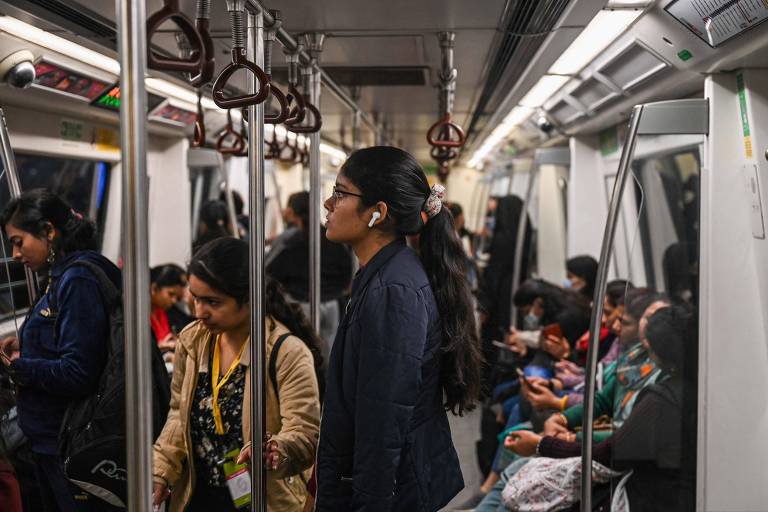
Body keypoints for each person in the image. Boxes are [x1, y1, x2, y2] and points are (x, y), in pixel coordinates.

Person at [315, 146, 483, 511]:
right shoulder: (384, 275)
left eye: (341, 193)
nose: (329, 204)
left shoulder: (394, 291)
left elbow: (383, 421)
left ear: (379, 213)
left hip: (390, 493)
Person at [152, 237, 321, 512]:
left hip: (263, 498)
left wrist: (277, 450)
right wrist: (161, 470)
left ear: (249, 298)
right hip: (199, 494)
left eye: (212, 302)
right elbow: (177, 415)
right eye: (195, 299)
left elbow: (304, 432)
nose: (199, 312)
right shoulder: (192, 342)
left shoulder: (286, 352)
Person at [504, 304, 697, 512]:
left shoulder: (661, 398)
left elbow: (611, 453)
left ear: (657, 351)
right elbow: (604, 400)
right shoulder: (675, 379)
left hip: (649, 497)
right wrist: (563, 417)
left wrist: (542, 445)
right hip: (655, 484)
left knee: (520, 483)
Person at [0, 189, 121, 512]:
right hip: (48, 438)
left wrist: (20, 367)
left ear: (48, 232)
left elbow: (78, 372)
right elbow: (66, 338)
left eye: (18, 241)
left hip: (67, 442)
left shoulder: (77, 279)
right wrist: (26, 344)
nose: (14, 254)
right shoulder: (57, 277)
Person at [266, 191, 353, 356]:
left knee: (306, 354)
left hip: (303, 303)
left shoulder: (291, 242)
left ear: (292, 212)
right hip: (332, 303)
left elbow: (271, 271)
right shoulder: (332, 237)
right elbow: (346, 272)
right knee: (329, 355)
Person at [150, 264, 188, 354]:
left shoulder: (165, 312)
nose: (174, 301)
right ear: (154, 288)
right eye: (170, 294)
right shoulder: (139, 316)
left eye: (177, 297)